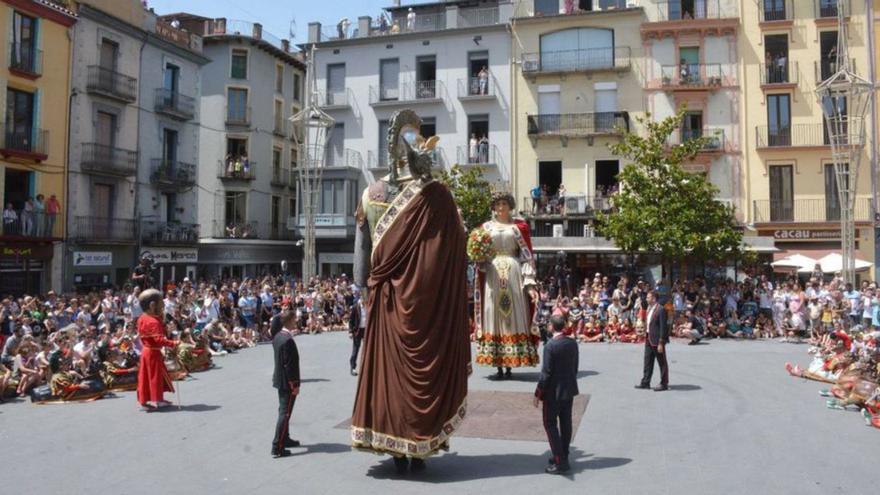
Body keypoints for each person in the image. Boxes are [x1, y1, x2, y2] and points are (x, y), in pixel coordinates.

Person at [351, 112, 470, 473]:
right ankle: (417, 446)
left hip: (386, 302)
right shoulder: (439, 197)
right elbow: (457, 250)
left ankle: (394, 444)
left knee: (388, 373)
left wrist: (364, 289)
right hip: (427, 306)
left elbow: (361, 260)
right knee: (422, 376)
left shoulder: (370, 194)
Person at [475, 193, 540, 380]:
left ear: (510, 206)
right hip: (492, 273)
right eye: (497, 204)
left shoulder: (519, 227)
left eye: (504, 203)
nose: (501, 207)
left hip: (513, 272)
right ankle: (498, 363)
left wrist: (529, 284)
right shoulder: (485, 228)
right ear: (493, 207)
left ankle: (511, 362)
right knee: (493, 313)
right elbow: (480, 255)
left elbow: (527, 256)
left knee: (512, 314)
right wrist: (479, 259)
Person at [534, 315, 579, 475]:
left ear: (552, 327)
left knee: (550, 424)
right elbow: (575, 367)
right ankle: (564, 455)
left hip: (553, 393)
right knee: (566, 423)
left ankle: (560, 460)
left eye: (548, 324)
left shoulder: (551, 346)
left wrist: (538, 393)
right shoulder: (572, 343)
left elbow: (546, 373)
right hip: (569, 389)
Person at [136, 289, 178, 411]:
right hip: (153, 352)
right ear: (152, 305)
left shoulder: (142, 318)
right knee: (156, 377)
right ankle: (158, 399)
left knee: (145, 377)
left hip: (146, 351)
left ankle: (145, 400)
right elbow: (159, 339)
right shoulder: (153, 321)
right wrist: (173, 343)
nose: (163, 306)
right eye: (161, 304)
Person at [271, 310, 301, 458]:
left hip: (279, 379)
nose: (296, 321)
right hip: (286, 382)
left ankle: (285, 438)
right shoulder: (287, 340)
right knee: (285, 413)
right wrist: (294, 385)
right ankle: (277, 446)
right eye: (294, 319)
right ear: (289, 321)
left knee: (284, 411)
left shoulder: (278, 336)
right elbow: (290, 365)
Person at [635, 290, 669, 391]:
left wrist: (661, 342)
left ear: (654, 298)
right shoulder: (649, 308)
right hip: (648, 338)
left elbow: (664, 328)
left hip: (657, 340)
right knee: (647, 361)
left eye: (648, 297)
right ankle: (646, 382)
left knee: (662, 362)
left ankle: (664, 383)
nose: (646, 299)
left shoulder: (661, 309)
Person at [348, 296, 365, 376]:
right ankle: (353, 367)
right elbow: (351, 320)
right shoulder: (355, 307)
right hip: (357, 331)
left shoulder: (368, 306)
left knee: (367, 349)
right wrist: (350, 332)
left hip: (366, 331)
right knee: (356, 349)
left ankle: (365, 367)